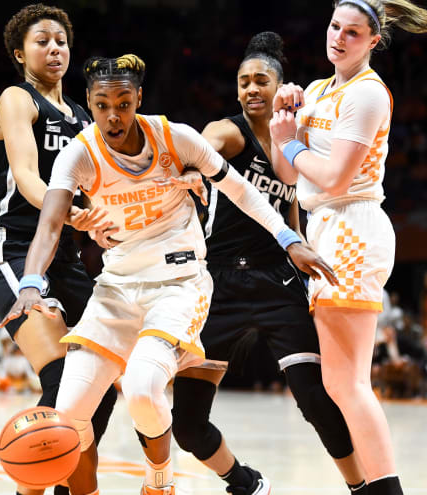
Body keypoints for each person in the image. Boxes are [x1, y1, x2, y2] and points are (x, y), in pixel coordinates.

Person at [0, 53, 337, 495]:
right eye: (102, 105)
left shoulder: (174, 137)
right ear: (90, 101)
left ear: (138, 98)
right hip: (116, 288)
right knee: (69, 413)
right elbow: (48, 224)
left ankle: (160, 481)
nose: (113, 115)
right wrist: (30, 283)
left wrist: (288, 239)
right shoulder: (78, 154)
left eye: (123, 103)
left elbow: (242, 190)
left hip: (179, 284)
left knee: (142, 389)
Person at [163, 32, 367, 495]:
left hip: (278, 281)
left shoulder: (293, 143)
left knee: (315, 398)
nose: (251, 88)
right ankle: (245, 481)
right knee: (189, 426)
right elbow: (196, 143)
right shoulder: (230, 132)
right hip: (219, 285)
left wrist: (305, 255)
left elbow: (291, 207)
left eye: (261, 80)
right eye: (243, 81)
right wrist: (188, 166)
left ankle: (361, 487)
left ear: (281, 88)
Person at [268, 2, 427, 494]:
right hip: (323, 227)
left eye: (352, 32)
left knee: (348, 384)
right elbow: (289, 175)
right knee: (339, 383)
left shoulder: (369, 94)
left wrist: (291, 144)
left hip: (353, 227)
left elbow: (334, 176)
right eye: (334, 26)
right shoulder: (313, 91)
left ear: (373, 41)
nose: (338, 38)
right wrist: (280, 122)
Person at [0, 5, 117, 494]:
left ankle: (75, 487)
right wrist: (73, 213)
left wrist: (107, 222)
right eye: (42, 41)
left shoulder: (81, 115)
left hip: (66, 258)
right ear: (20, 53)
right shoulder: (18, 99)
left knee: (100, 387)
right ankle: (32, 485)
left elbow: (99, 188)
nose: (54, 48)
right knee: (61, 381)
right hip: (12, 250)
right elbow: (32, 180)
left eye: (61, 41)